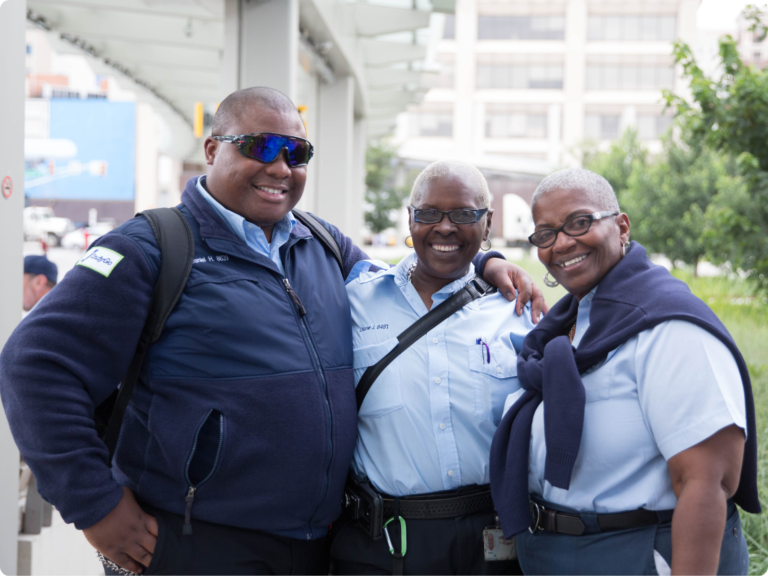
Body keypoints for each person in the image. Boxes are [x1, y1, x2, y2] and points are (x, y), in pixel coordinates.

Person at [0, 87, 544, 576]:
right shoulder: (151, 249)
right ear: (213, 150)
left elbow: (412, 287)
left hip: (314, 547)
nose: (280, 167)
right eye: (260, 147)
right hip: (198, 545)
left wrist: (486, 264)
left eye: (296, 152)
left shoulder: (321, 244)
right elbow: (36, 366)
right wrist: (94, 504)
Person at [490, 168, 760, 576]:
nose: (562, 243)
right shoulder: (568, 323)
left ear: (621, 226)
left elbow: (706, 484)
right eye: (545, 233)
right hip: (556, 555)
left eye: (580, 222)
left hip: (642, 555)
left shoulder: (669, 325)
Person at [330, 161, 534, 576]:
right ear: (410, 218)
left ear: (488, 221)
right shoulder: (351, 303)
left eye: (463, 214)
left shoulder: (517, 311)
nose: (445, 227)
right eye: (428, 214)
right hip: (385, 543)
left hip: (493, 541)